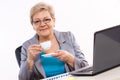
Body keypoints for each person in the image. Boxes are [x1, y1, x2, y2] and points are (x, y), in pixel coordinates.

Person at [19, 2, 88, 80]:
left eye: (47, 20)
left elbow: (86, 68)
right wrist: (30, 60)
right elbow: (22, 79)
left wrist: (70, 59)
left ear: (54, 21)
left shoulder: (68, 37)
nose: (42, 24)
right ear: (33, 25)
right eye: (37, 21)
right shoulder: (27, 46)